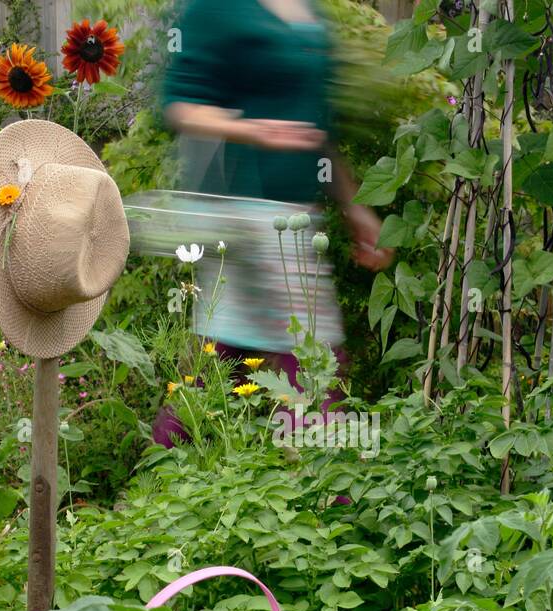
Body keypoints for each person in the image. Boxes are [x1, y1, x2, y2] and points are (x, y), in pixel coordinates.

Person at [151, 0, 392, 447]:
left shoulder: (309, 9)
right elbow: (180, 105)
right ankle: (329, 492)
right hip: (247, 212)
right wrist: (254, 129)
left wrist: (353, 203)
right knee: (315, 363)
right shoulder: (215, 8)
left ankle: (159, 480)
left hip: (293, 216)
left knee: (222, 361)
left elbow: (319, 126)